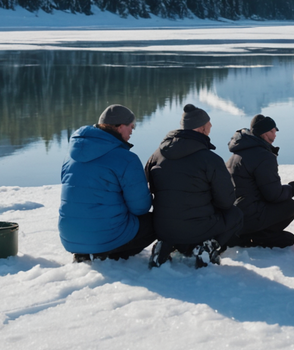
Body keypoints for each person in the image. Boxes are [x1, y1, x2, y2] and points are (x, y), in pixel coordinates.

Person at [145, 104, 243, 268]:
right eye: (209, 123)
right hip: (197, 229)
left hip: (162, 227)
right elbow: (226, 202)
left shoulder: (157, 154)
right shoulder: (210, 159)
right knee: (235, 214)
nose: (211, 126)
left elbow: (148, 187)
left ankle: (165, 245)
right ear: (201, 128)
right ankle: (208, 246)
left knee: (177, 217)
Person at [59, 104, 155, 262]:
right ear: (120, 126)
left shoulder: (70, 156)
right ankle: (110, 253)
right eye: (131, 126)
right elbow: (140, 208)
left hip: (70, 238)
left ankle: (86, 250)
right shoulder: (126, 158)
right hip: (106, 238)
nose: (132, 130)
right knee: (156, 221)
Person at [226, 114, 294, 248]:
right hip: (249, 215)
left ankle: (248, 234)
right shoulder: (263, 156)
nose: (275, 135)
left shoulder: (237, 153)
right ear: (262, 133)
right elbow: (274, 195)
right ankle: (260, 236)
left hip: (234, 214)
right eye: (272, 131)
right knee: (290, 206)